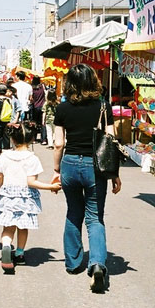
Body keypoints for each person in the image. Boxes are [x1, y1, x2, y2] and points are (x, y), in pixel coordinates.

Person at [52, 63, 122, 293]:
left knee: (73, 213)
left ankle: (73, 264)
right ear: (93, 81)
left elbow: (58, 142)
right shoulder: (103, 106)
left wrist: (55, 170)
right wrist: (115, 175)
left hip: (70, 164)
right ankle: (98, 264)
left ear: (69, 83)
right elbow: (111, 140)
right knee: (94, 217)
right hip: (95, 168)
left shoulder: (62, 109)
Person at [0, 122, 61, 274]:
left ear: (12, 139)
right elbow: (31, 182)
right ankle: (20, 253)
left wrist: (1, 188)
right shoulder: (32, 159)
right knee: (23, 227)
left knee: (8, 228)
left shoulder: (4, 156)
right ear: (31, 140)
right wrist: (51, 187)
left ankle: (5, 246)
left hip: (8, 195)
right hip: (25, 197)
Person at [30, 76, 46, 145]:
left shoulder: (32, 88)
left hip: (35, 107)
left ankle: (34, 138)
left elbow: (31, 98)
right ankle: (43, 139)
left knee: (34, 123)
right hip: (42, 106)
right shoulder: (42, 86)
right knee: (43, 123)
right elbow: (45, 95)